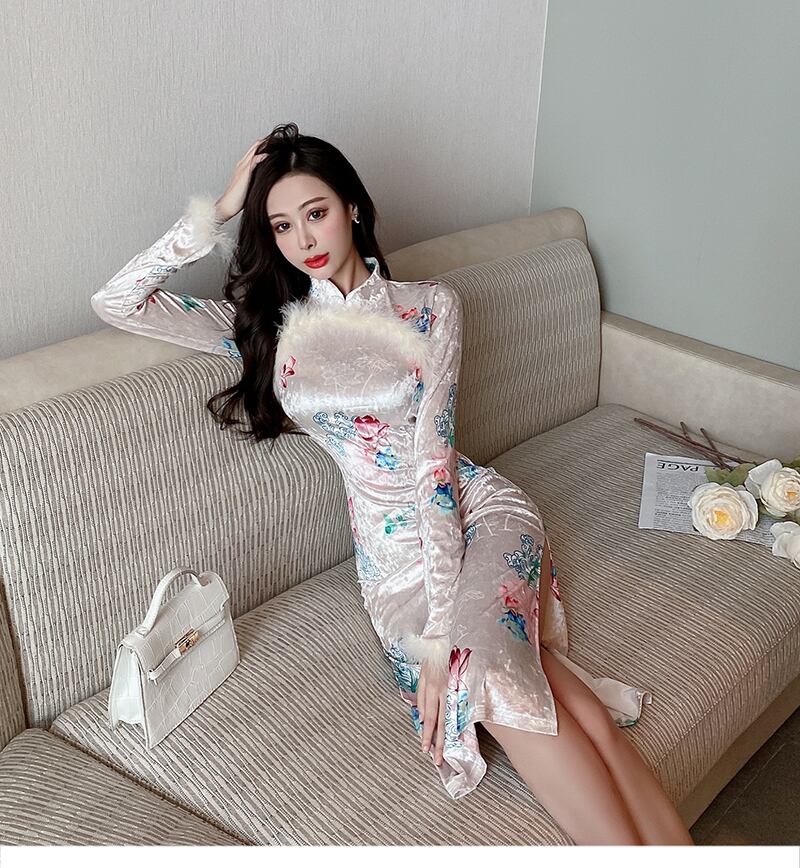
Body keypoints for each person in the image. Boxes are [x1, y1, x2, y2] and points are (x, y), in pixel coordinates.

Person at [90, 123, 694, 846]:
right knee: (576, 709)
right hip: (390, 566)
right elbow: (117, 301)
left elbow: (435, 468)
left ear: (351, 207)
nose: (303, 238)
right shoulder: (271, 332)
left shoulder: (429, 307)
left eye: (316, 212)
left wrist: (443, 637)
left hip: (479, 514)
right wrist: (218, 211)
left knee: (484, 677)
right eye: (281, 225)